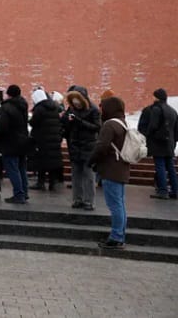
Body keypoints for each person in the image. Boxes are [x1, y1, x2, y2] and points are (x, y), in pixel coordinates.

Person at [92, 95, 131, 249]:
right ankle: (119, 235)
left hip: (111, 169)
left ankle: (116, 237)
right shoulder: (122, 122)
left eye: (103, 107)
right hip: (120, 168)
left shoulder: (109, 125)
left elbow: (101, 146)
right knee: (120, 204)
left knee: (115, 205)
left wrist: (91, 161)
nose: (101, 110)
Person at [62, 86, 101, 210]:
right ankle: (77, 199)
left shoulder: (93, 109)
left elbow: (96, 127)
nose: (76, 104)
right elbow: (66, 126)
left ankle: (89, 201)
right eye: (73, 101)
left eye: (77, 101)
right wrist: (66, 120)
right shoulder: (71, 109)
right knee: (76, 174)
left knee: (88, 175)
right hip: (75, 145)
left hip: (88, 146)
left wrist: (78, 121)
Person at [137, 88, 178, 199]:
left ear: (156, 97)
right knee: (170, 167)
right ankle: (175, 190)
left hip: (158, 143)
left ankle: (163, 190)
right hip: (169, 144)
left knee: (160, 166)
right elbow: (176, 130)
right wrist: (173, 143)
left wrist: (148, 135)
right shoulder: (172, 111)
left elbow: (153, 126)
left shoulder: (156, 109)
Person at [0, 84, 31, 204]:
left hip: (10, 142)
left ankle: (19, 194)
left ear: (8, 94)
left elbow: (1, 127)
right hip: (22, 141)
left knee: (12, 169)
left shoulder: (6, 107)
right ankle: (24, 193)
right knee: (21, 168)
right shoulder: (23, 105)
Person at [29, 88, 65, 191]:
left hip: (42, 139)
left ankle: (40, 183)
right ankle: (52, 183)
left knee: (42, 162)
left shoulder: (39, 108)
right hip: (54, 139)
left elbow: (34, 122)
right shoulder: (54, 107)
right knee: (53, 162)